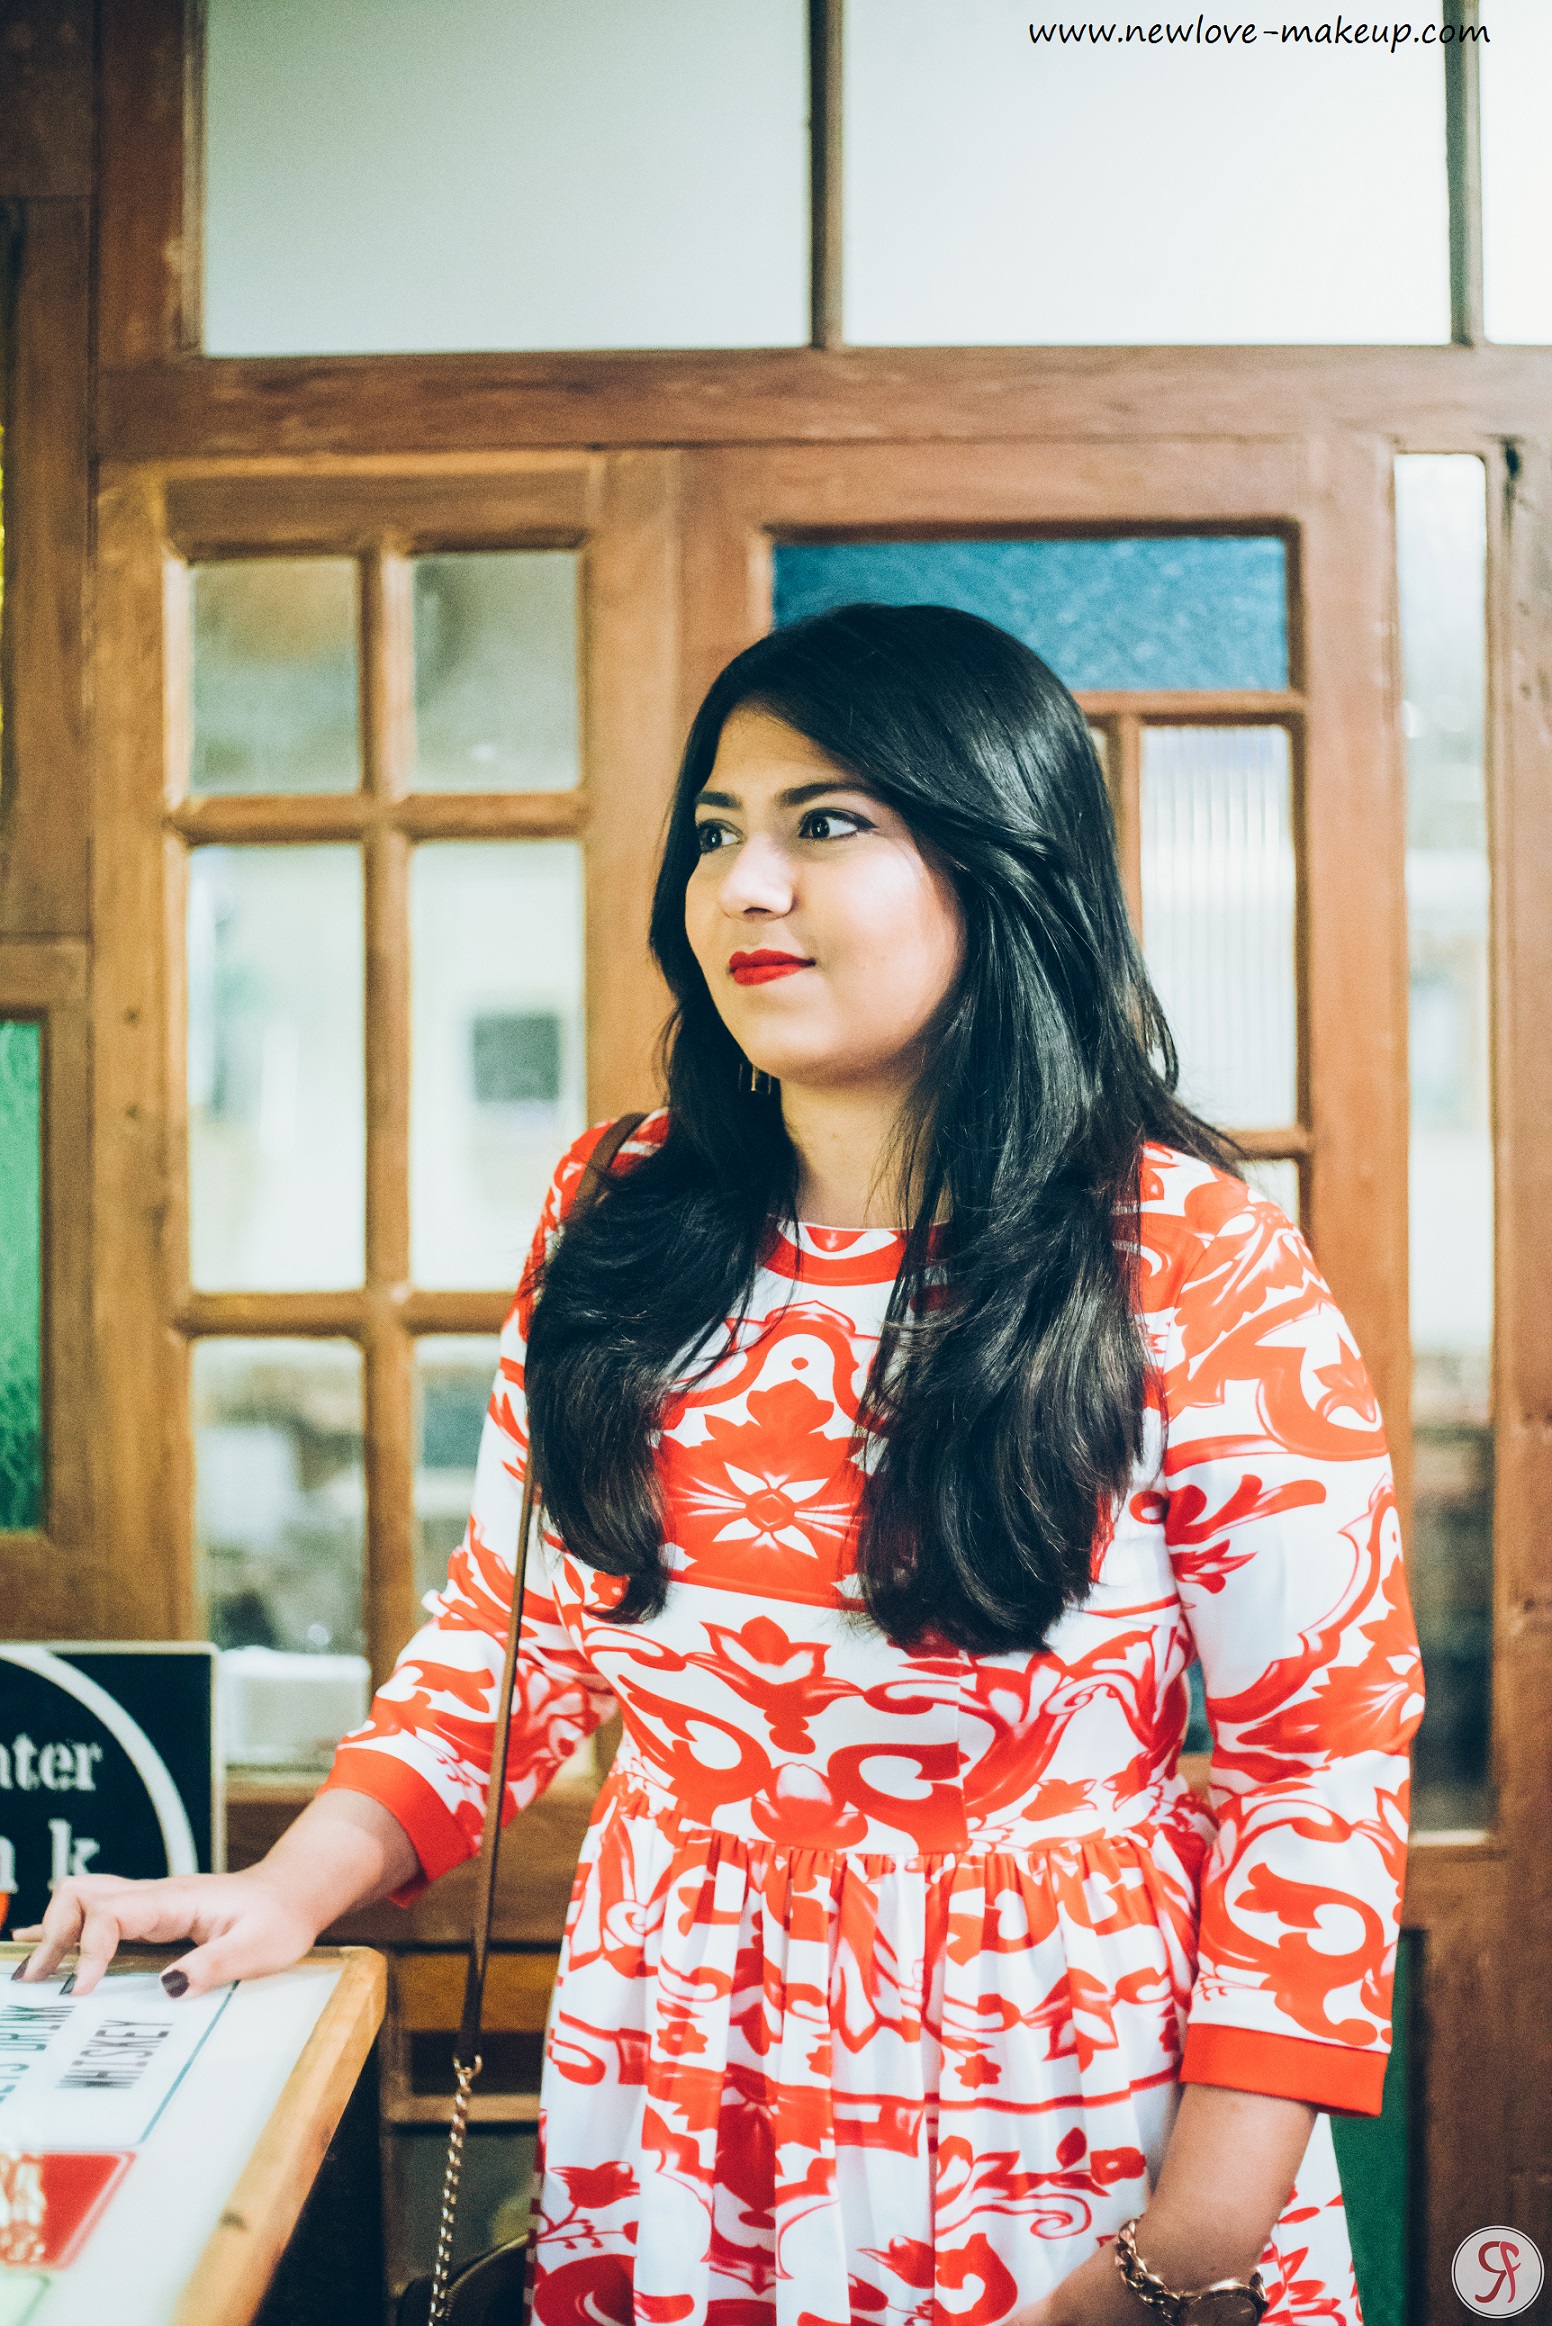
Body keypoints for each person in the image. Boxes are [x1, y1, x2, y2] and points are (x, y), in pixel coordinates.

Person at [18, 606, 1422, 2325]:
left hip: (1054, 2100)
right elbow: (510, 1640)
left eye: (826, 823)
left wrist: (1185, 2249)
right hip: (679, 2071)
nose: (746, 884)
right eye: (717, 831)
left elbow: (1316, 1768)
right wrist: (284, 1882)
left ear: (1007, 866)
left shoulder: (1188, 1255)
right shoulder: (615, 1214)